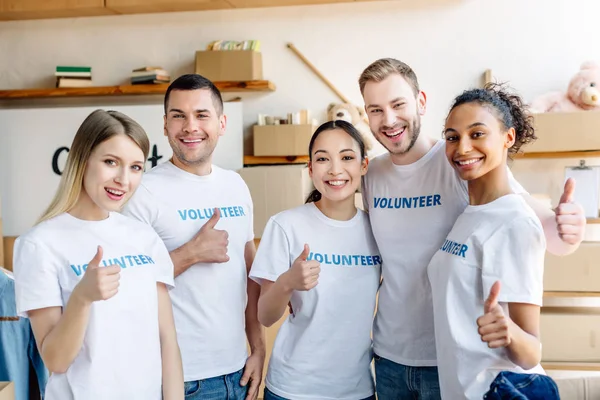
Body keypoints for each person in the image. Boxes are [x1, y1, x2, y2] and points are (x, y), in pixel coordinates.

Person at [358, 58, 586, 399]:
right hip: (390, 356)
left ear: (420, 102)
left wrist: (572, 225)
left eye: (398, 104)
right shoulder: (372, 174)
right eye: (375, 109)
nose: (388, 120)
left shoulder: (459, 160)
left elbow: (539, 226)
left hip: (449, 358)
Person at [12, 109, 184, 400]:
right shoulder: (38, 244)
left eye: (135, 167)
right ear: (82, 160)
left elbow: (167, 339)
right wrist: (82, 298)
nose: (123, 179)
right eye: (110, 162)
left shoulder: (143, 237)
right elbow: (55, 360)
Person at [122, 74, 265, 400]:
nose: (190, 126)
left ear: (222, 123)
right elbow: (128, 286)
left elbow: (250, 276)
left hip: (238, 371)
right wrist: (191, 253)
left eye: (201, 115)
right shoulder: (142, 192)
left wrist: (257, 349)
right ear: (165, 124)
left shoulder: (236, 186)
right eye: (178, 116)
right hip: (180, 380)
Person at [427, 83, 561, 399]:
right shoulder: (471, 212)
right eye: (452, 137)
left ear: (508, 138)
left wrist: (509, 332)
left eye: (477, 134)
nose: (461, 148)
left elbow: (531, 353)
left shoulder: (515, 222)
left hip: (498, 391)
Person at [248, 120, 381, 400]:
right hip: (293, 389)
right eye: (323, 159)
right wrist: (287, 282)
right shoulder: (286, 225)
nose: (335, 169)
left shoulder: (378, 229)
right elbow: (265, 316)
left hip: (356, 389)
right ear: (310, 169)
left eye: (347, 157)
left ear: (364, 165)